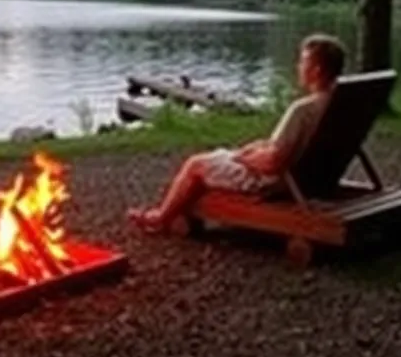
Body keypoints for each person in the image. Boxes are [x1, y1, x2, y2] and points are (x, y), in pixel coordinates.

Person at [126, 34, 347, 234]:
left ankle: (160, 218)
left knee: (196, 165)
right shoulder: (338, 104)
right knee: (221, 156)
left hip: (272, 181)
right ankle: (172, 210)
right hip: (307, 176)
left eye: (303, 62)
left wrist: (243, 158)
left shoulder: (302, 110)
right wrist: (259, 147)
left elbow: (273, 163)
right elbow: (289, 146)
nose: (297, 66)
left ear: (316, 70)